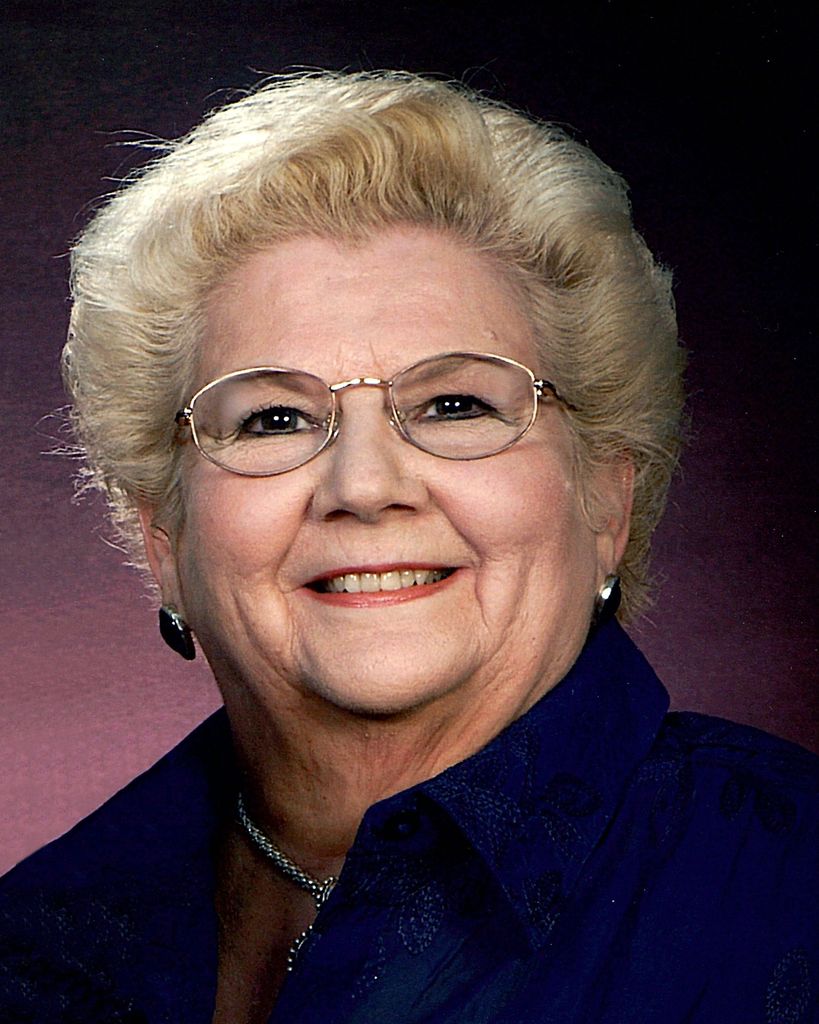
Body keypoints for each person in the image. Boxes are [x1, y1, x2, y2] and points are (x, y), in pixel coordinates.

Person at [0, 71, 816, 1024]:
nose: (363, 486)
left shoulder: (788, 883)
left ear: (605, 499)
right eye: (272, 418)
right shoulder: (36, 946)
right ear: (163, 536)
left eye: (454, 404)